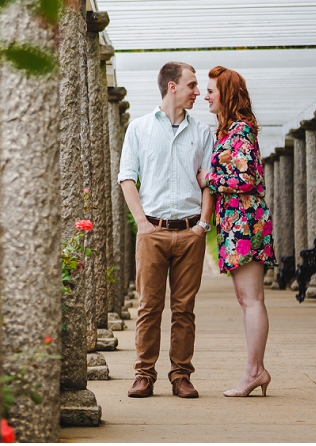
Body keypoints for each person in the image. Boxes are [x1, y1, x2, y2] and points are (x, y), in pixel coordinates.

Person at [118, 62, 216, 399]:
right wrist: (142, 225)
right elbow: (127, 177)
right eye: (192, 85)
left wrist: (203, 225)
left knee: (184, 308)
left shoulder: (203, 133)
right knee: (149, 307)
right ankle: (144, 374)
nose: (198, 92)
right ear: (172, 87)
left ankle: (181, 376)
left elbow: (209, 183)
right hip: (153, 231)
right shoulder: (140, 128)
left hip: (190, 232)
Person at [197, 65, 276, 397]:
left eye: (211, 91)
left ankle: (255, 371)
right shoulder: (229, 131)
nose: (205, 96)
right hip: (237, 224)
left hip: (245, 224)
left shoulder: (240, 131)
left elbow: (247, 180)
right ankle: (255, 370)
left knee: (252, 299)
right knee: (247, 299)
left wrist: (209, 179)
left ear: (226, 94)